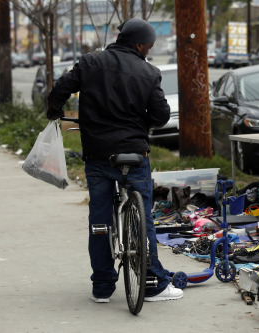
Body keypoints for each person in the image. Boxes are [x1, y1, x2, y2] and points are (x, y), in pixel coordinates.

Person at [47, 18, 183, 303]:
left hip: (97, 155)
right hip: (134, 156)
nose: (149, 50)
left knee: (99, 219)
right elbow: (160, 117)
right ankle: (151, 284)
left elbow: (60, 89)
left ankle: (102, 287)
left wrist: (55, 112)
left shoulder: (90, 62)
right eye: (149, 45)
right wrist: (140, 119)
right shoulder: (149, 72)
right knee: (143, 217)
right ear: (138, 44)